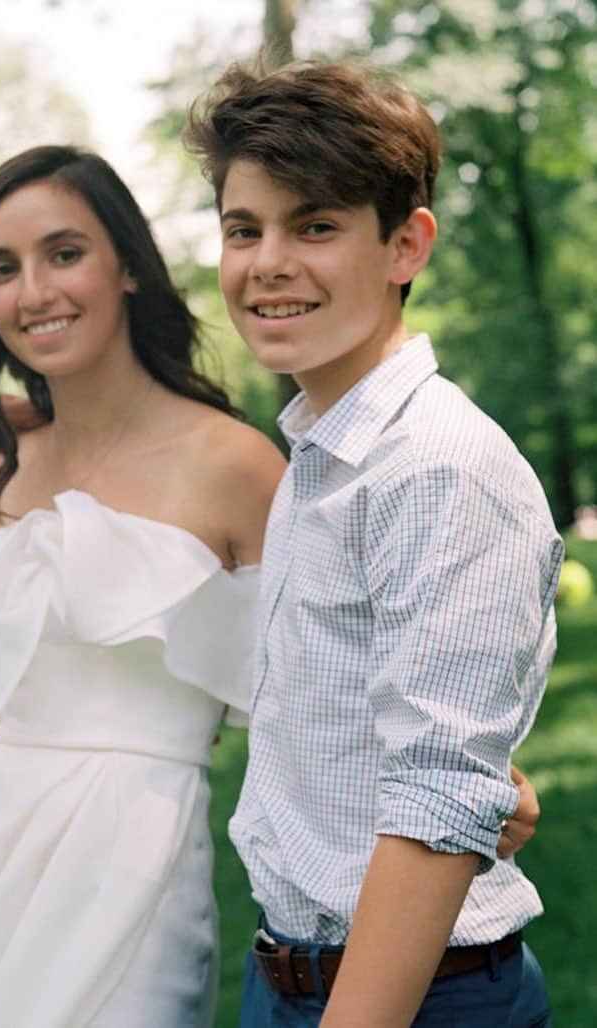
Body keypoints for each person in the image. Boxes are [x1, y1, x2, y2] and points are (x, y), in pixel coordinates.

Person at [183, 61, 563, 1026]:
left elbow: (435, 811)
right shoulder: (321, 454)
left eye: (314, 225)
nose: (267, 261)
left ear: (405, 246)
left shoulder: (436, 467)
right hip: (289, 976)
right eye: (243, 229)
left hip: (406, 995)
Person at [0, 144, 287, 1027]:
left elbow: (326, 683)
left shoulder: (233, 463)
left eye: (65, 253)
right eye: (4, 269)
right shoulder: (0, 473)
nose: (33, 291)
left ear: (126, 268)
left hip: (138, 849)